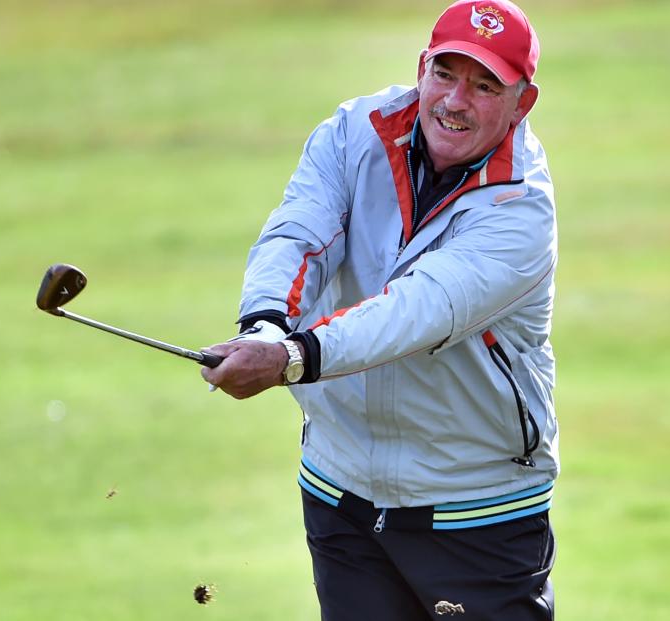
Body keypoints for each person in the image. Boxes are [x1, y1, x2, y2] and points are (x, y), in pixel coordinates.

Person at [201, 1, 559, 618]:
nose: (455, 101)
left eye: (484, 87)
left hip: (475, 502)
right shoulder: (354, 132)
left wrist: (292, 357)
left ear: (521, 103)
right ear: (422, 69)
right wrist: (264, 326)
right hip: (341, 490)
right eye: (444, 74)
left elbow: (419, 312)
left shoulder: (521, 206)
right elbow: (299, 235)